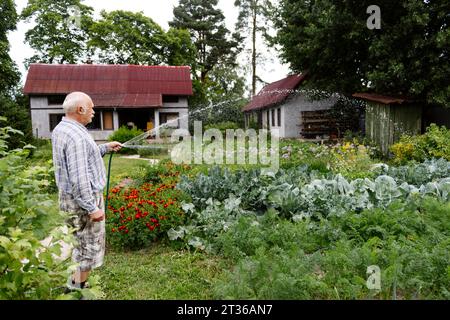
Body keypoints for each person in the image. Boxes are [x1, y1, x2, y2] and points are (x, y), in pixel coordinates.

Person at [51, 91, 122, 292]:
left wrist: (105, 147)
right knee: (88, 247)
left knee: (80, 244)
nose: (94, 111)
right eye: (91, 108)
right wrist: (92, 208)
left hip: (69, 198)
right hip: (83, 200)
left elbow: (81, 159)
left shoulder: (63, 129)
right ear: (80, 109)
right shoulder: (77, 137)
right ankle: (75, 290)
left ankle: (76, 283)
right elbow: (79, 177)